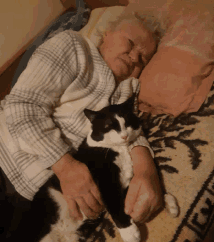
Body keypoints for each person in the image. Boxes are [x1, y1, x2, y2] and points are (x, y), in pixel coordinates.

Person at [0, 12, 162, 225]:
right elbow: (22, 106)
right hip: (6, 157)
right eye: (130, 44)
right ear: (106, 34)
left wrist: (145, 168)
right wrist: (65, 167)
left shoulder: (129, 90)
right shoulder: (73, 46)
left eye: (142, 59)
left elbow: (131, 131)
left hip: (38, 200)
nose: (133, 57)